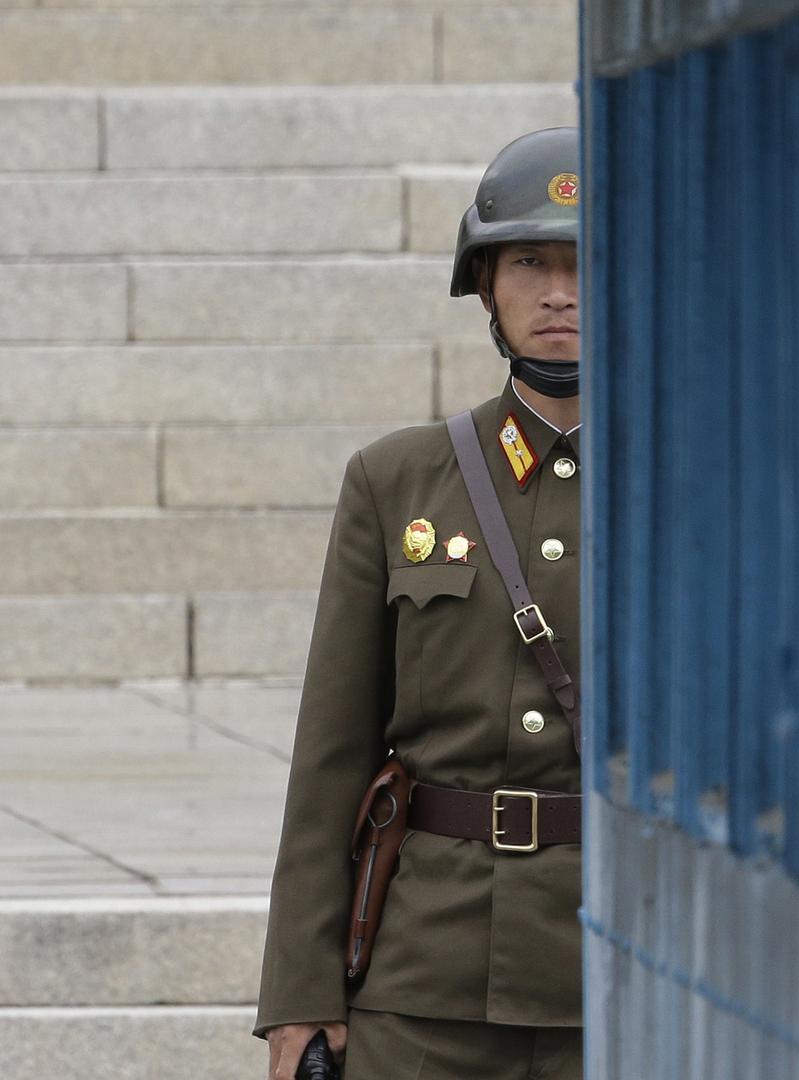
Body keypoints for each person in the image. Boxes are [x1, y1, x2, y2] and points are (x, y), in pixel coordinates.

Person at [254, 127, 588, 1080]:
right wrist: (301, 998)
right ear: (486, 284)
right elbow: (332, 753)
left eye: (585, 261)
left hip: (619, 966)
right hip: (424, 981)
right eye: (529, 260)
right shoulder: (398, 480)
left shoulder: (692, 490)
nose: (558, 291)